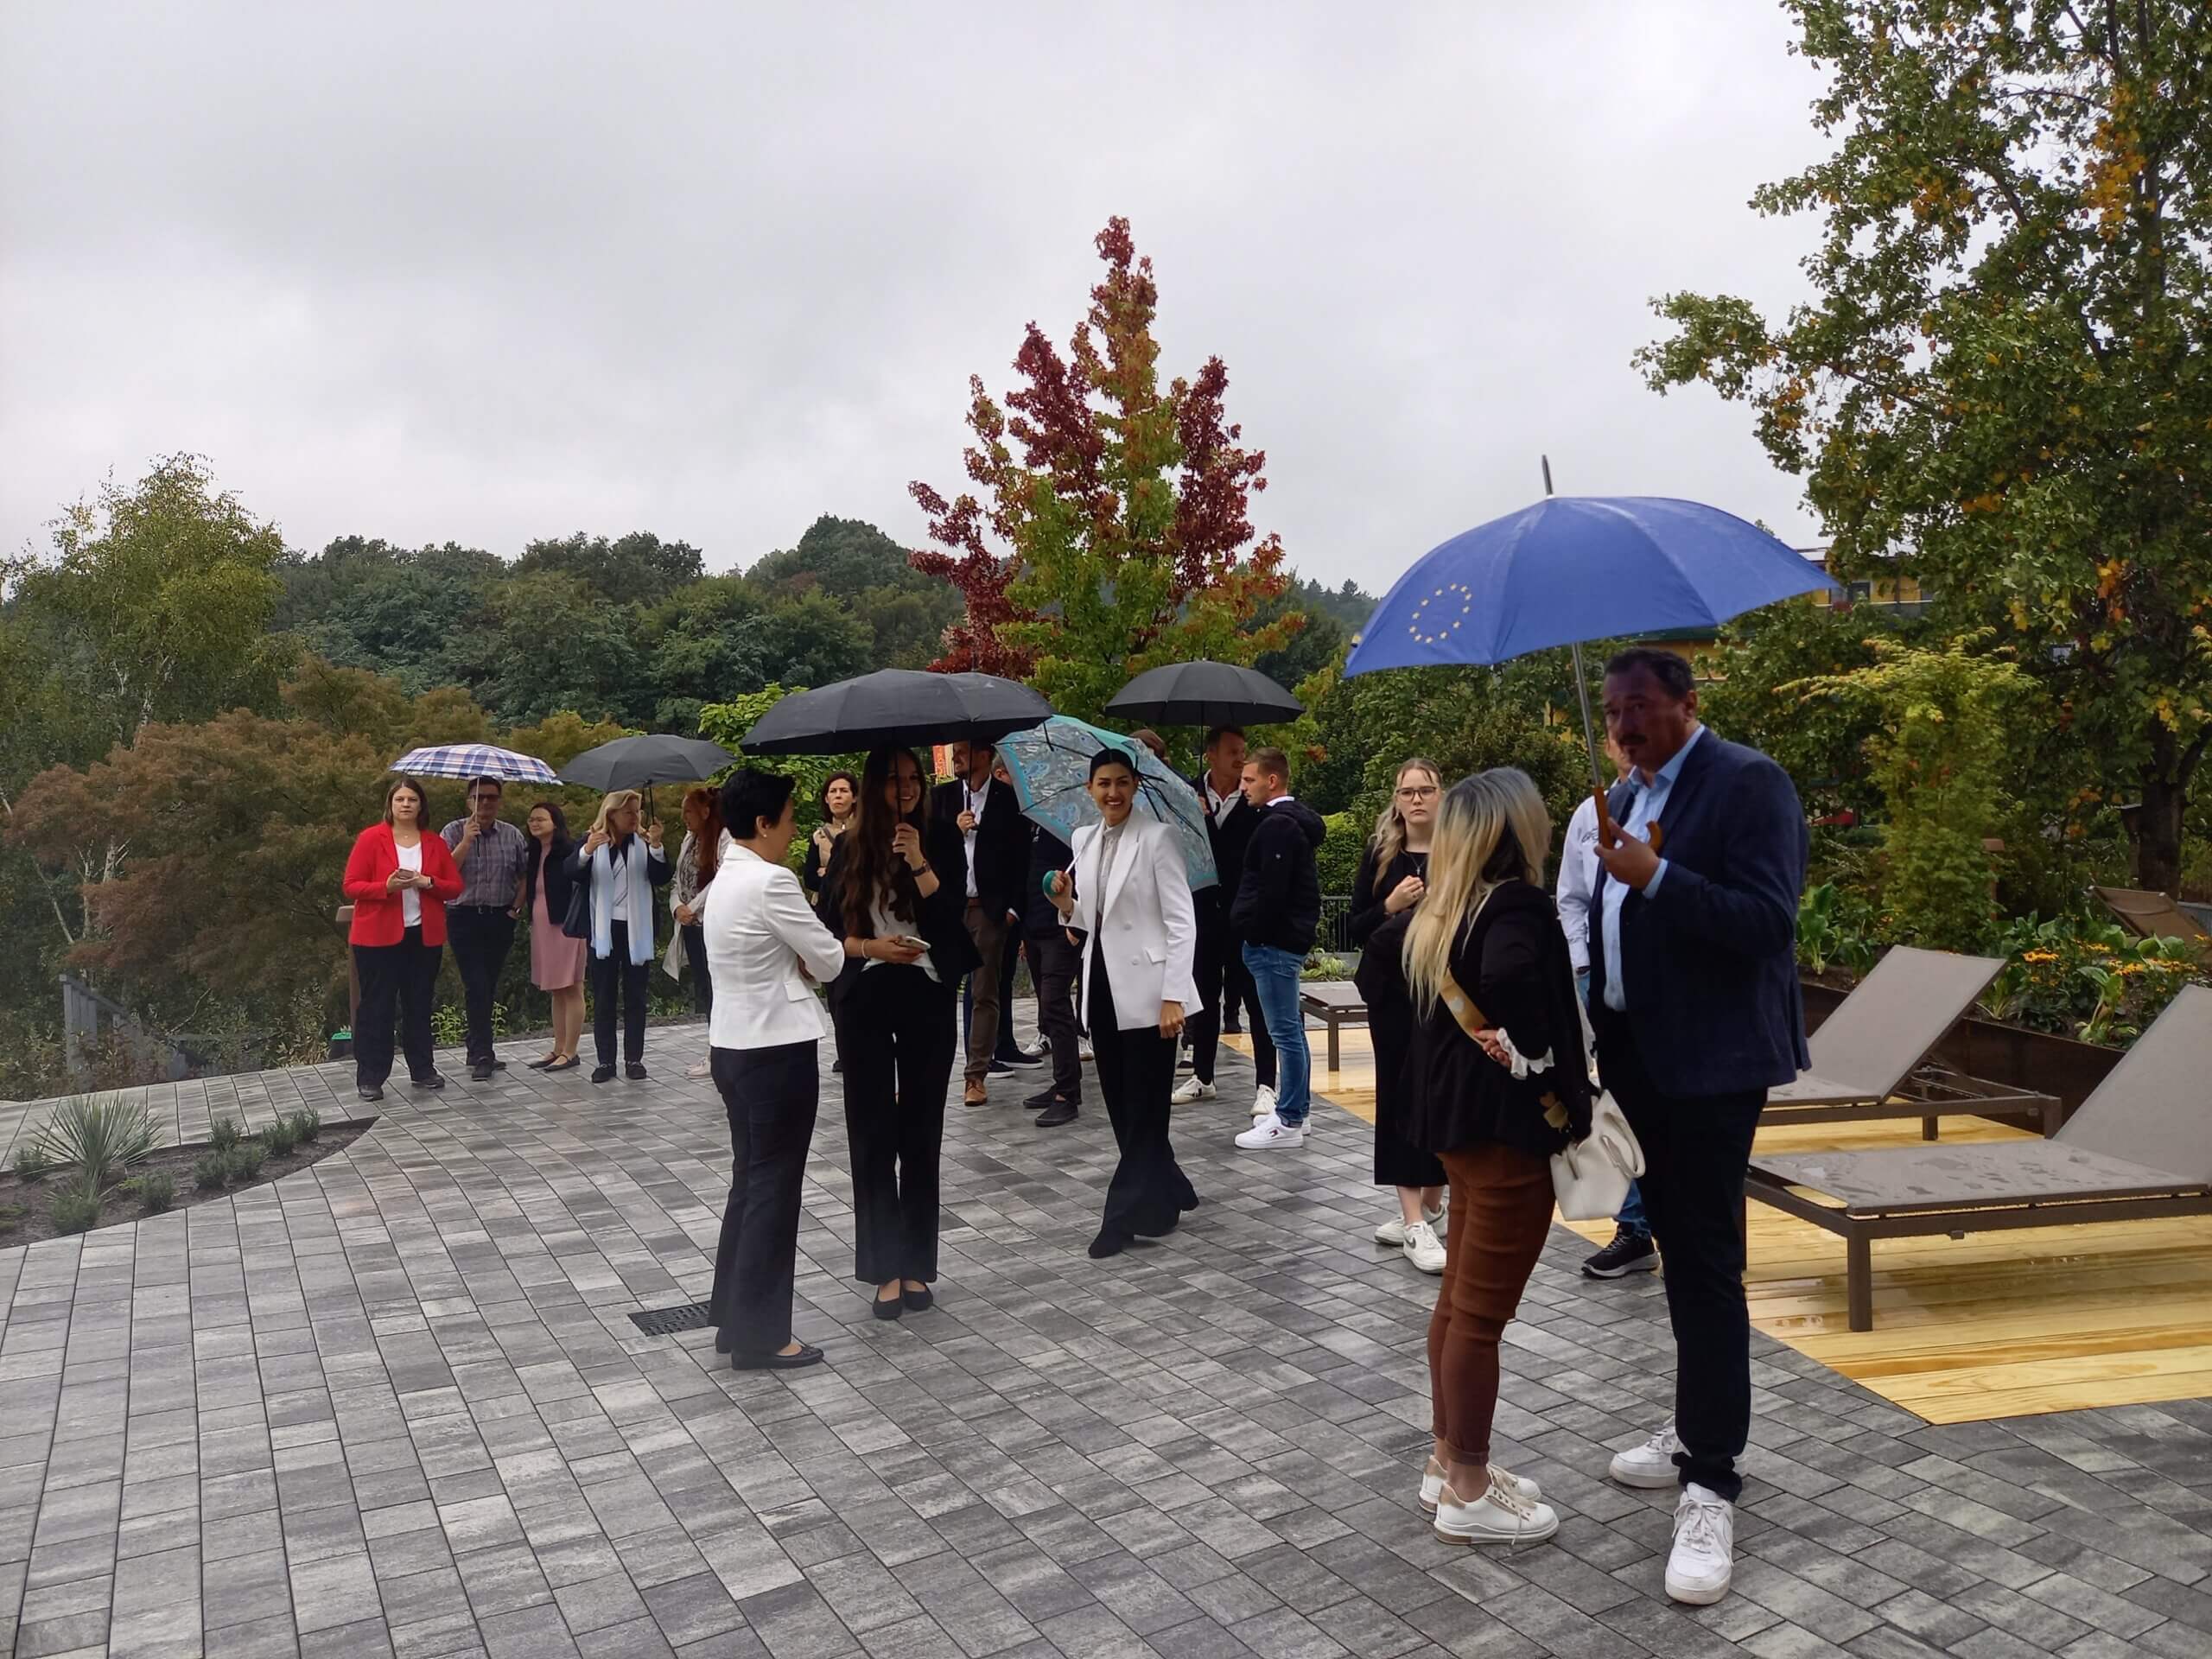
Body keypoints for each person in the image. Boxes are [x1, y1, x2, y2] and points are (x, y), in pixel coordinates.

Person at [1586, 647, 1808, 1608]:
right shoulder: (1621, 795)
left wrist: (1656, 876)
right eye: (1613, 711)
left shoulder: (1749, 782)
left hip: (1712, 1068)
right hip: (1638, 1060)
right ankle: (1694, 1423)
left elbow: (1768, 921)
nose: (1624, 725)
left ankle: (1712, 1479)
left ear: (1686, 703)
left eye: (1639, 706)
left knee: (1708, 1260)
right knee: (1677, 1250)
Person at [1402, 767, 1591, 1548]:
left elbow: (1380, 964)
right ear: (1519, 828)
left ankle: (1447, 1461)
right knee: (1479, 1319)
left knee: (1457, 1304)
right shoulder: (1516, 905)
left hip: (1461, 1128)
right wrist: (1532, 1049)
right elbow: (1515, 976)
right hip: (1510, 1135)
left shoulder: (1449, 908)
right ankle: (1471, 1491)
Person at [822, 747, 978, 1319]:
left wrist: (918, 862)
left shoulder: (939, 838)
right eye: (894, 780)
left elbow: (952, 919)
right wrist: (872, 947)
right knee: (870, 1133)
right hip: (865, 991)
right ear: (874, 785)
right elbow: (826, 930)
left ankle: (915, 1264)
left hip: (926, 990)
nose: (907, 788)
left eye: (914, 778)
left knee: (921, 1132)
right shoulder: (849, 846)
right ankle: (883, 1268)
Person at [702, 768, 847, 1371]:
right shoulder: (772, 880)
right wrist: (803, 958)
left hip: (732, 1045)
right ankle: (762, 1335)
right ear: (763, 824)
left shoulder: (725, 876)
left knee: (750, 1182)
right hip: (776, 1049)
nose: (792, 830)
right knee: (773, 1190)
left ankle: (734, 1319)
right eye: (787, 820)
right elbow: (831, 959)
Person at [1046, 749, 1201, 1257]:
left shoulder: (1158, 838)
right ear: (1089, 789)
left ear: (1134, 785)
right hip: (1102, 988)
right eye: (1103, 783)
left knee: (1147, 1107)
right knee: (1120, 1105)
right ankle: (1170, 1187)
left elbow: (1181, 922)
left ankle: (1120, 1219)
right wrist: (1065, 904)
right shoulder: (1083, 841)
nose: (1112, 793)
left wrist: (1174, 996)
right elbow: (1089, 923)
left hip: (1153, 993)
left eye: (1121, 782)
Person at [1556, 738, 1655, 1280]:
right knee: (1614, 1101)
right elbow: (1571, 896)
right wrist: (1581, 963)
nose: (1627, 746)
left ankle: (1683, 1222)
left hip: (1658, 979)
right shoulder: (1587, 815)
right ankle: (1634, 1228)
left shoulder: (1669, 809)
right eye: (1617, 734)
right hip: (1596, 975)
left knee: (1664, 1098)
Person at [1349, 759, 1448, 1274]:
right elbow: (1355, 925)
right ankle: (1413, 1220)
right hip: (1392, 992)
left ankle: (1431, 1205)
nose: (1416, 800)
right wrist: (1390, 904)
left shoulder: (1458, 850)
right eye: (1407, 792)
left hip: (1446, 991)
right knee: (1399, 1094)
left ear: (1440, 794)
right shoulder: (1381, 852)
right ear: (1396, 798)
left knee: (1442, 1094)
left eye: (1425, 790)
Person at [342, 777, 463, 1103]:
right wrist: (386, 887)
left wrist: (427, 881)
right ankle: (371, 1076)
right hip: (377, 938)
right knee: (377, 1007)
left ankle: (422, 1069)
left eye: (412, 799)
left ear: (421, 805)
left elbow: (454, 887)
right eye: (400, 799)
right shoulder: (371, 839)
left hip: (422, 935)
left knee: (419, 1004)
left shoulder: (434, 842)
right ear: (390, 805)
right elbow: (351, 885)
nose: (406, 805)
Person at [1230, 747, 1326, 1151]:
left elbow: (1273, 892)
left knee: (1285, 1032)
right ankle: (1296, 1110)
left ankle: (1288, 1119)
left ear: (1272, 781)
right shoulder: (1287, 823)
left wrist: (1255, 933)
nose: (1243, 787)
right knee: (1291, 1031)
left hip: (1274, 945)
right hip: (1280, 942)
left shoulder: (1278, 827)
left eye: (1249, 779)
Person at [1177, 727, 1274, 1109]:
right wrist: (1195, 815)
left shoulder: (1255, 799)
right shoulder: (1187, 794)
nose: (1240, 759)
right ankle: (1202, 1076)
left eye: (1243, 751)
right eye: (1233, 752)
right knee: (1203, 997)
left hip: (1245, 916)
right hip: (1202, 913)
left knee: (1255, 1000)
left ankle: (1266, 1084)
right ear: (1211, 755)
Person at [930, 740, 1026, 1106]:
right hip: (948, 906)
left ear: (984, 756)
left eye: (963, 752)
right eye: (955, 752)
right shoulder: (941, 798)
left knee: (985, 991)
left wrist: (1013, 909)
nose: (956, 758)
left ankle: (976, 1075)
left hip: (989, 910)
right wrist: (954, 831)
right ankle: (928, 1071)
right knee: (938, 988)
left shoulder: (1008, 800)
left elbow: (1021, 857)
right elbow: (925, 851)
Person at [568, 789, 671, 1084]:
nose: (635, 817)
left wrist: (657, 846)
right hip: (604, 929)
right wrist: (587, 851)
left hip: (637, 930)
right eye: (628, 812)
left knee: (636, 996)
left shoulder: (643, 843)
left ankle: (634, 1059)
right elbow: (571, 872)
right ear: (611, 814)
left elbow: (662, 877)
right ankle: (605, 1061)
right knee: (604, 997)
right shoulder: (593, 840)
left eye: (638, 811)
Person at [442, 777, 531, 1081]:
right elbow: (444, 872)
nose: (485, 803)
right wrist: (466, 841)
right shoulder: (453, 831)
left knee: (488, 984)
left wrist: (515, 909)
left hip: (499, 917)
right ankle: (483, 1053)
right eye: (479, 797)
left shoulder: (512, 834)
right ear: (469, 801)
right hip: (463, 915)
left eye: (492, 797)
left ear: (499, 801)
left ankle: (475, 1045)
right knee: (476, 983)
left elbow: (525, 874)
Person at [969, 754, 1046, 1074]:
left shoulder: (1017, 807)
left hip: (1009, 909)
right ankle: (981, 1057)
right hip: (979, 907)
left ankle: (1004, 1044)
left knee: (1002, 978)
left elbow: (1020, 858)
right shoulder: (963, 804)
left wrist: (1014, 910)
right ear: (1000, 772)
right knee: (980, 984)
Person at [1021, 823, 1082, 1125]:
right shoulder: (1034, 823)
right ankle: (1062, 1083)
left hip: (1061, 927)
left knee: (1055, 1004)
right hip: (1033, 926)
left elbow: (1083, 875)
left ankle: (1067, 1094)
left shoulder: (1071, 828)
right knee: (1048, 1009)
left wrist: (1075, 921)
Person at [518, 802, 585, 1071]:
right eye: (531, 819)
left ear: (555, 823)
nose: (534, 823)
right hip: (542, 925)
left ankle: (570, 1051)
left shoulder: (569, 850)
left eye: (541, 819)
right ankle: (558, 1047)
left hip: (566, 925)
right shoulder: (534, 852)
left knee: (572, 986)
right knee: (556, 988)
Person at [671, 786, 724, 1079]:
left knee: (717, 989)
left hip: (710, 923)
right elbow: (677, 880)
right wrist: (677, 907)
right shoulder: (688, 840)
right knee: (704, 987)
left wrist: (693, 907)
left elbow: (722, 879)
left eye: (689, 811)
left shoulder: (722, 839)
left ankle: (721, 1052)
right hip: (689, 925)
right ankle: (714, 1048)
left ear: (705, 811)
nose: (685, 818)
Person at [801, 771, 857, 912]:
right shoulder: (819, 837)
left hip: (859, 906)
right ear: (826, 799)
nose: (838, 795)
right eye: (833, 791)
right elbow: (810, 879)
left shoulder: (867, 833)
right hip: (827, 909)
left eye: (844, 791)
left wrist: (829, 873)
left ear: (855, 797)